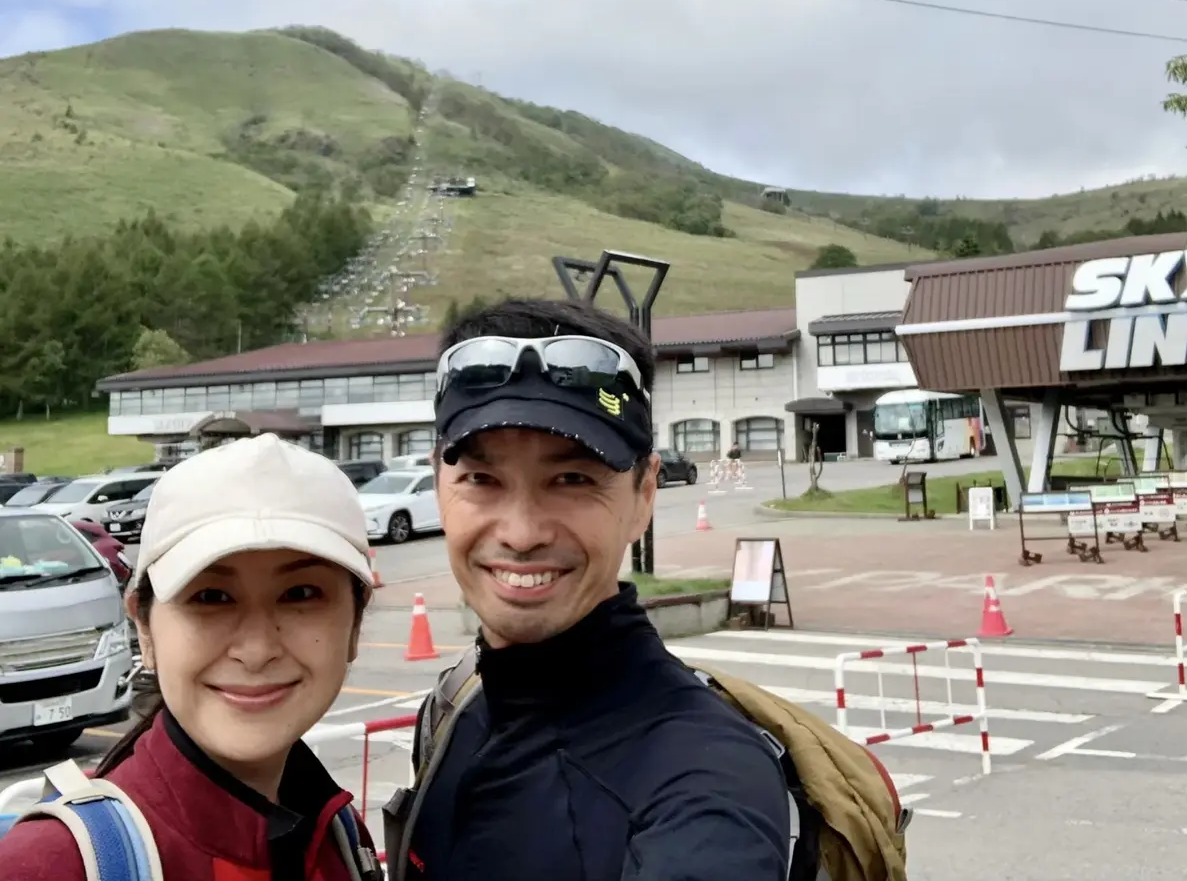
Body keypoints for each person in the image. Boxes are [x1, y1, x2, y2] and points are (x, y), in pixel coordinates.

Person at [384, 298, 798, 880]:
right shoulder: (458, 711)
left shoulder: (706, 777)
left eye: (572, 478)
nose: (522, 533)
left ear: (644, 496)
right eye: (482, 479)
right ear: (439, 484)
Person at [0, 433, 384, 881]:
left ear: (354, 623)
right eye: (211, 596)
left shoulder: (342, 836)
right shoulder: (51, 866)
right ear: (144, 628)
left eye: (301, 593)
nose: (256, 651)